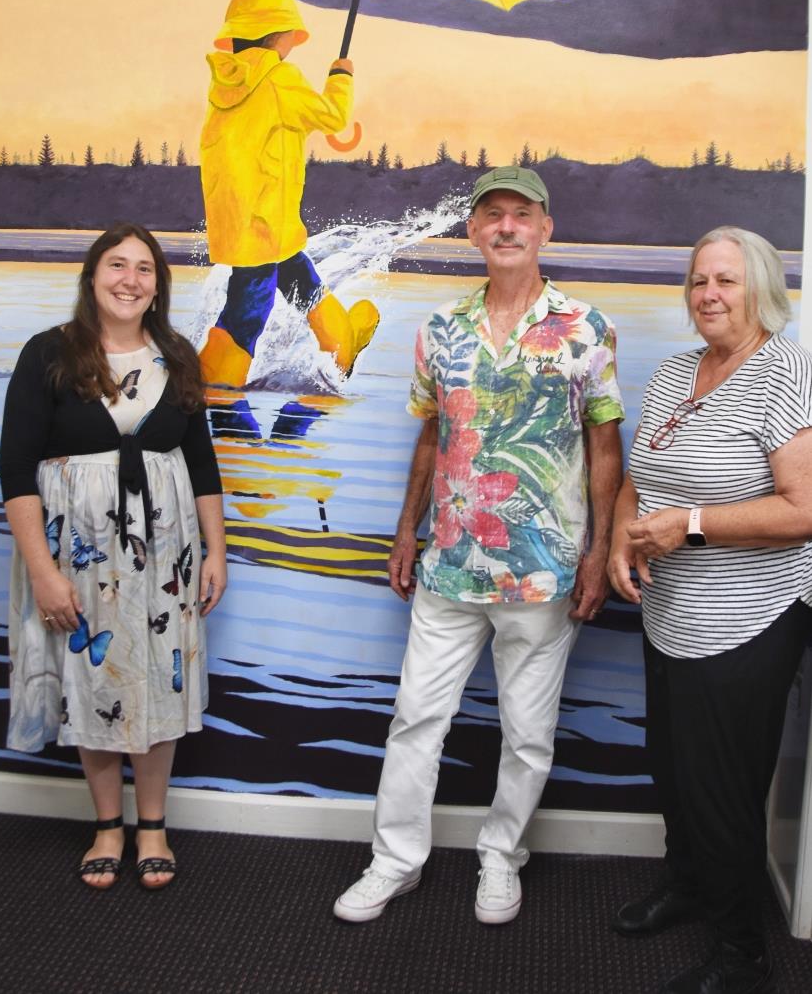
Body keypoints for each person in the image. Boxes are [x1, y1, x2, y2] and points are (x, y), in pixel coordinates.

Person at [333, 165, 624, 924]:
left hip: (544, 571)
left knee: (527, 737)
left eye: (521, 214)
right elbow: (433, 434)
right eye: (492, 214)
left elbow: (604, 447)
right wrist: (407, 529)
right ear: (473, 231)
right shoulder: (441, 328)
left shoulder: (586, 327)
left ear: (544, 228)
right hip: (450, 567)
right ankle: (394, 862)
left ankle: (501, 858)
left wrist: (598, 552)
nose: (506, 226)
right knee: (414, 721)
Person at [608, 226, 812, 994]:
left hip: (747, 619)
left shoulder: (785, 372)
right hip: (670, 614)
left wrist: (688, 526)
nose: (709, 295)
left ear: (760, 289)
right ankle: (689, 885)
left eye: (726, 280)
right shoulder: (675, 371)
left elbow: (804, 509)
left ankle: (741, 953)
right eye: (698, 281)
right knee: (673, 768)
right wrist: (622, 541)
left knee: (721, 789)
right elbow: (639, 477)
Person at [0, 224, 228, 890]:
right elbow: (15, 470)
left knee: (160, 678)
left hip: (167, 556)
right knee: (93, 681)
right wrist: (43, 572)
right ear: (92, 276)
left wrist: (216, 552)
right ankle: (107, 825)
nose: (130, 280)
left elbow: (201, 463)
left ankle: (152, 825)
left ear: (158, 285)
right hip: (78, 557)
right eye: (117, 265)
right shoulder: (49, 353)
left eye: (145, 269)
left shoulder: (177, 355)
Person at [197, 0, 379, 388]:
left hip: (238, 218)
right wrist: (341, 76)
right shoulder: (280, 79)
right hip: (265, 219)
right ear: (278, 35)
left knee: (294, 271)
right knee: (250, 304)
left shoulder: (224, 83)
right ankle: (215, 380)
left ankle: (339, 339)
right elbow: (332, 116)